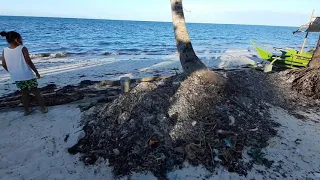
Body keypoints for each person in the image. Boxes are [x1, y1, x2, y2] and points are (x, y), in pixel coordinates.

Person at [1, 31, 47, 116]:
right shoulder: (22, 48)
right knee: (36, 92)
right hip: (27, 75)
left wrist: (11, 72)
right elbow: (28, 61)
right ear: (16, 39)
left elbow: (3, 64)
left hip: (17, 77)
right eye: (20, 38)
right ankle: (43, 108)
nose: (22, 39)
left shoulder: (4, 50)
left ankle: (26, 110)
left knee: (24, 93)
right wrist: (36, 72)